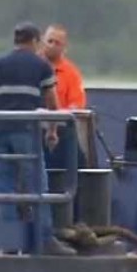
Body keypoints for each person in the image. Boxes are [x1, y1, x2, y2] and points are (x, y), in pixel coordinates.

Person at [0, 22, 77, 256]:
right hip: (26, 132)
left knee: (3, 187)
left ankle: (10, 242)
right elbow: (51, 101)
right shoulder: (41, 65)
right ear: (35, 41)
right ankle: (44, 240)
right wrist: (52, 130)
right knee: (37, 185)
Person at [40, 24, 88, 169]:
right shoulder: (32, 65)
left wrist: (57, 117)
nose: (53, 45)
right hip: (33, 127)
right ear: (42, 40)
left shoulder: (71, 73)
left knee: (79, 163)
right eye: (50, 41)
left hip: (61, 129)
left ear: (64, 47)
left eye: (57, 43)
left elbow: (77, 105)